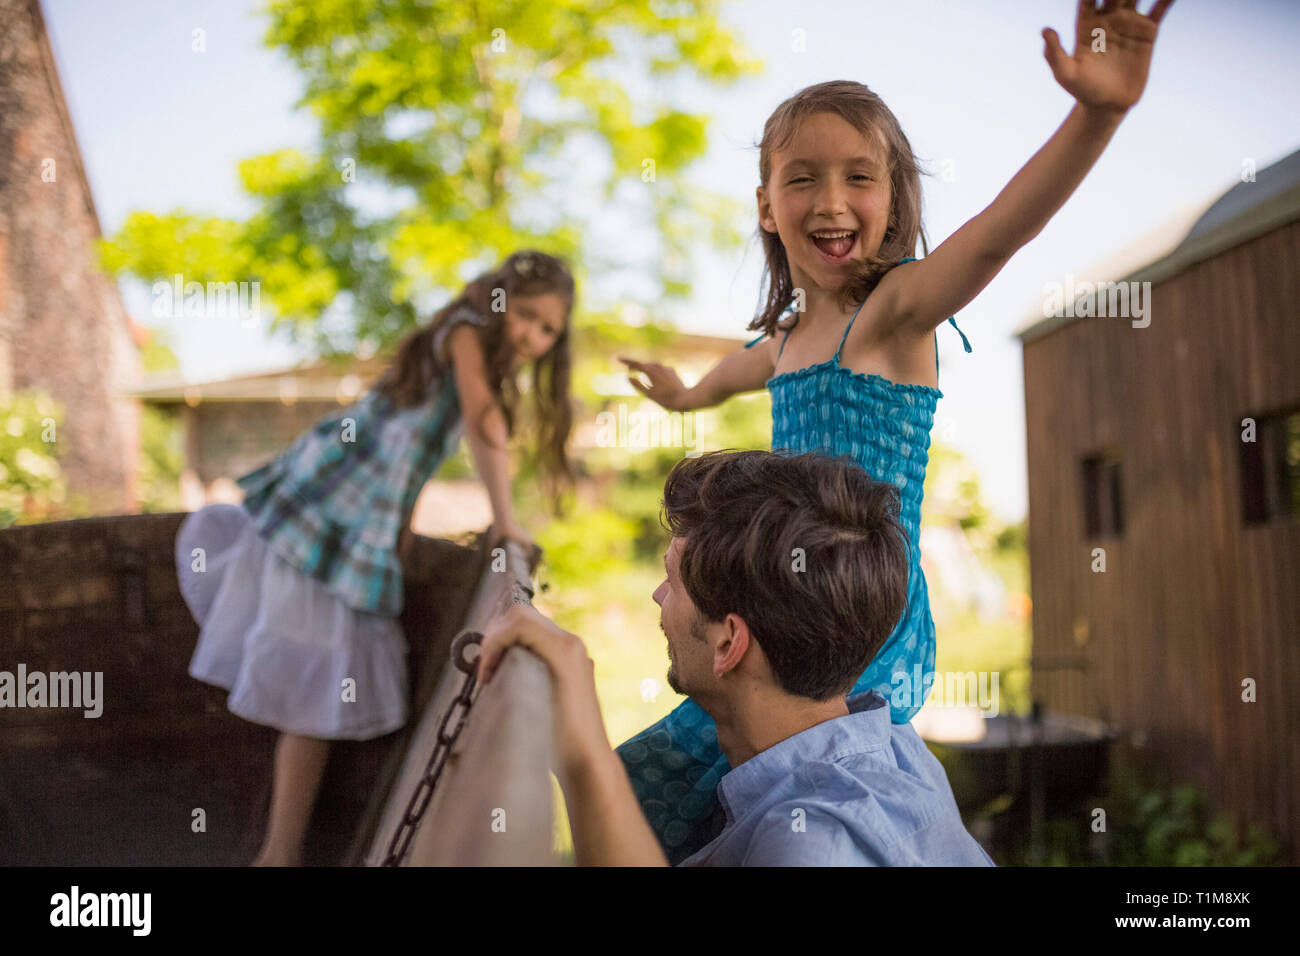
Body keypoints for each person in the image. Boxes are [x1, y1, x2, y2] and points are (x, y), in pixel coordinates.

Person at [614, 0, 1175, 861]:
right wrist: (681, 395)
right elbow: (732, 372)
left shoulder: (893, 315)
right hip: (781, 596)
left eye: (858, 177)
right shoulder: (788, 340)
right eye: (801, 178)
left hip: (858, 606)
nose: (830, 201)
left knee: (751, 787)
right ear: (766, 204)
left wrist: (1095, 114)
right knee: (668, 780)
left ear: (894, 197)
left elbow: (994, 239)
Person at [174, 249, 577, 866]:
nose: (532, 335)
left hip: (362, 508)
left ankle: (278, 851)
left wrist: (403, 526)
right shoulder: (468, 334)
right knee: (315, 678)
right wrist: (506, 518)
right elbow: (481, 421)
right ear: (498, 301)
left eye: (549, 328)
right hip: (336, 499)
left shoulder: (474, 348)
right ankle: (277, 854)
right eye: (524, 315)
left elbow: (410, 456)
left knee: (317, 679)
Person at [479, 449, 995, 866]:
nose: (658, 597)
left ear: (729, 644)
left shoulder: (812, 845)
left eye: (673, 581)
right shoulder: (898, 749)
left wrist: (581, 752)